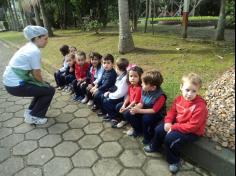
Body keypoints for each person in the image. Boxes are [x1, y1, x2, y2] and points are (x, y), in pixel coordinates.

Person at [144, 73, 208, 174]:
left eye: (194, 91)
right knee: (159, 129)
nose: (189, 94)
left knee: (170, 139)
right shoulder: (179, 99)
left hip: (192, 131)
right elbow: (172, 112)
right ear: (181, 87)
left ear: (198, 91)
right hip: (179, 124)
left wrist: (174, 127)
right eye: (187, 90)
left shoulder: (200, 106)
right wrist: (168, 122)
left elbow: (193, 126)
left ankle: (174, 160)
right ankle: (155, 146)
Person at [2, 25, 55, 125]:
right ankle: (35, 116)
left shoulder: (29, 46)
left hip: (11, 82)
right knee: (49, 90)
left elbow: (34, 74)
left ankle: (30, 112)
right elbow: (36, 74)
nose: (47, 41)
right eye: (45, 38)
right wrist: (44, 84)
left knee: (44, 88)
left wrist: (43, 84)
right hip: (15, 85)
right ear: (37, 38)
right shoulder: (34, 51)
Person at [125, 70, 167, 145]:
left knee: (146, 119)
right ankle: (138, 130)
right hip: (145, 109)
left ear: (153, 87)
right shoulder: (144, 89)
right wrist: (135, 108)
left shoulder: (160, 96)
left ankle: (147, 137)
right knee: (128, 113)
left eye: (143, 83)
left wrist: (139, 111)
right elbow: (141, 102)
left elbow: (154, 110)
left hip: (156, 114)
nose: (141, 84)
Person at [100, 58, 129, 124]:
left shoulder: (124, 79)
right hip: (117, 94)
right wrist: (109, 92)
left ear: (117, 67)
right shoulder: (120, 75)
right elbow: (116, 86)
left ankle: (115, 117)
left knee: (106, 101)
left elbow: (120, 93)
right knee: (103, 97)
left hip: (123, 97)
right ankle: (110, 114)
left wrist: (109, 95)